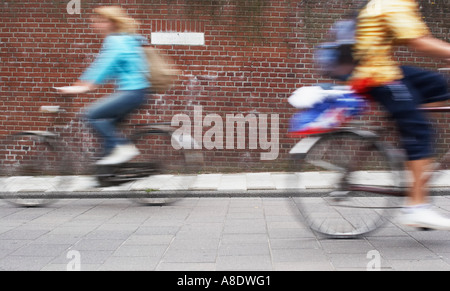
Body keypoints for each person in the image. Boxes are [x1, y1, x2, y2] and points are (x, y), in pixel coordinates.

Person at [350, 0, 450, 230]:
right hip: (377, 75)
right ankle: (416, 207)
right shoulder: (394, 2)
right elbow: (419, 42)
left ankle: (411, 143)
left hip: (386, 68)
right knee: (420, 130)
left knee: (438, 84)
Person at [57, 6, 150, 165]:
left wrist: (84, 86)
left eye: (101, 21)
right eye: (95, 21)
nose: (96, 25)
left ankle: (122, 147)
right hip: (137, 92)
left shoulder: (116, 40)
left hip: (131, 92)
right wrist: (85, 83)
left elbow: (104, 65)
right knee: (108, 124)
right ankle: (107, 173)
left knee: (91, 115)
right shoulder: (127, 38)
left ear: (112, 23)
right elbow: (112, 67)